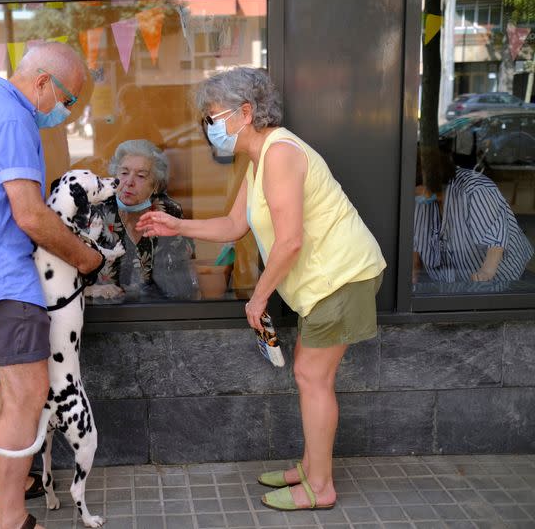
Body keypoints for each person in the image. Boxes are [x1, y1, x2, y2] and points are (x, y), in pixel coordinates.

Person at [137, 67, 386, 511]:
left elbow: (290, 240)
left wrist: (258, 297)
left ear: (245, 112)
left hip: (343, 277)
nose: (208, 127)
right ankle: (310, 470)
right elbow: (235, 226)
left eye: (213, 117)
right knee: (311, 376)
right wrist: (177, 225)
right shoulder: (260, 157)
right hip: (327, 281)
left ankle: (321, 486)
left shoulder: (281, 154)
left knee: (313, 377)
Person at [0, 41, 102, 529]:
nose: (66, 113)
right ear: (41, 83)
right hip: (4, 276)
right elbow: (30, 215)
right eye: (67, 100)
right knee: (27, 396)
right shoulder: (12, 119)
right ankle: (10, 518)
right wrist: (87, 259)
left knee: (10, 388)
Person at [86, 139, 198, 301]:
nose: (129, 182)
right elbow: (71, 274)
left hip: (155, 312)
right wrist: (91, 290)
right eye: (124, 173)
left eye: (141, 176)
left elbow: (182, 274)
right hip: (104, 313)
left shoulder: (169, 212)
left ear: (155, 185)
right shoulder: (95, 211)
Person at [413, 147, 534, 288]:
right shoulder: (421, 199)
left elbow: (496, 239)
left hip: (503, 278)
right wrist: (414, 273)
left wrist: (485, 272)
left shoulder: (476, 189)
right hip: (454, 283)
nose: (412, 192)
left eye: (416, 187)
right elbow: (416, 241)